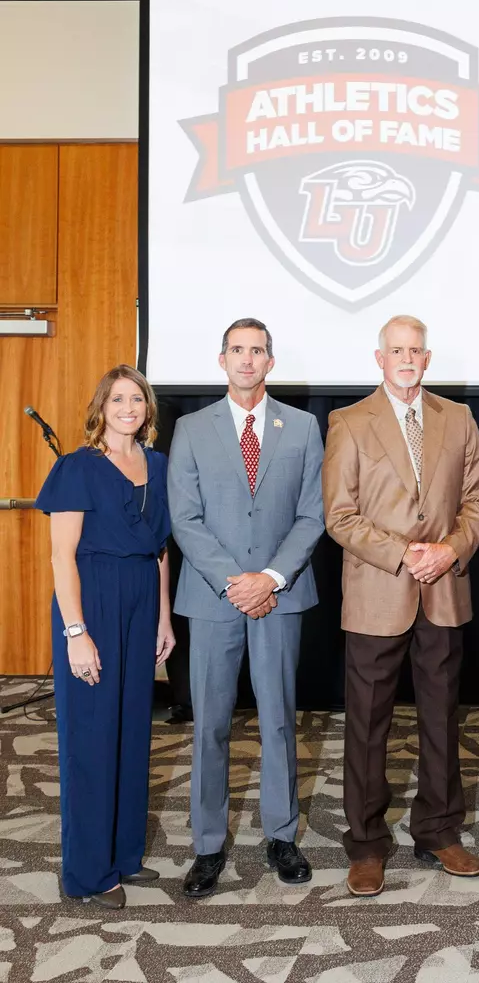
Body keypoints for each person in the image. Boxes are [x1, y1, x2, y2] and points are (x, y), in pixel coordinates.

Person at [322, 315, 479, 897]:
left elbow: (478, 498)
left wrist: (447, 551)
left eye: (415, 350)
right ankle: (367, 844)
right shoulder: (348, 422)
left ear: (428, 358)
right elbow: (339, 515)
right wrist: (404, 555)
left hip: (443, 591)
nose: (406, 358)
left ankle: (439, 832)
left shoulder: (459, 418)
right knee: (368, 725)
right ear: (379, 358)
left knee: (442, 721)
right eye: (396, 349)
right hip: (377, 592)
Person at [168, 318, 325, 898]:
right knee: (209, 724)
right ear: (222, 359)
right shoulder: (190, 428)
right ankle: (208, 847)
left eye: (257, 350)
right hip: (214, 599)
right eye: (237, 350)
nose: (247, 359)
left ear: (270, 362)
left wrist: (271, 579)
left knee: (280, 719)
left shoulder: (304, 427)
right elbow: (185, 518)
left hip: (279, 598)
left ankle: (282, 836)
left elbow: (313, 514)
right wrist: (236, 582)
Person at [36, 365, 175, 909]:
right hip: (91, 598)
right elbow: (60, 555)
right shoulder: (77, 467)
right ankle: (88, 875)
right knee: (91, 737)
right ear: (101, 406)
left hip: (142, 599)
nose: (128, 407)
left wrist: (163, 618)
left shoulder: (157, 464)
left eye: (136, 398)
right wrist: (76, 633)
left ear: (147, 408)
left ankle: (123, 855)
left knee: (131, 729)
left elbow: (161, 548)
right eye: (118, 398)